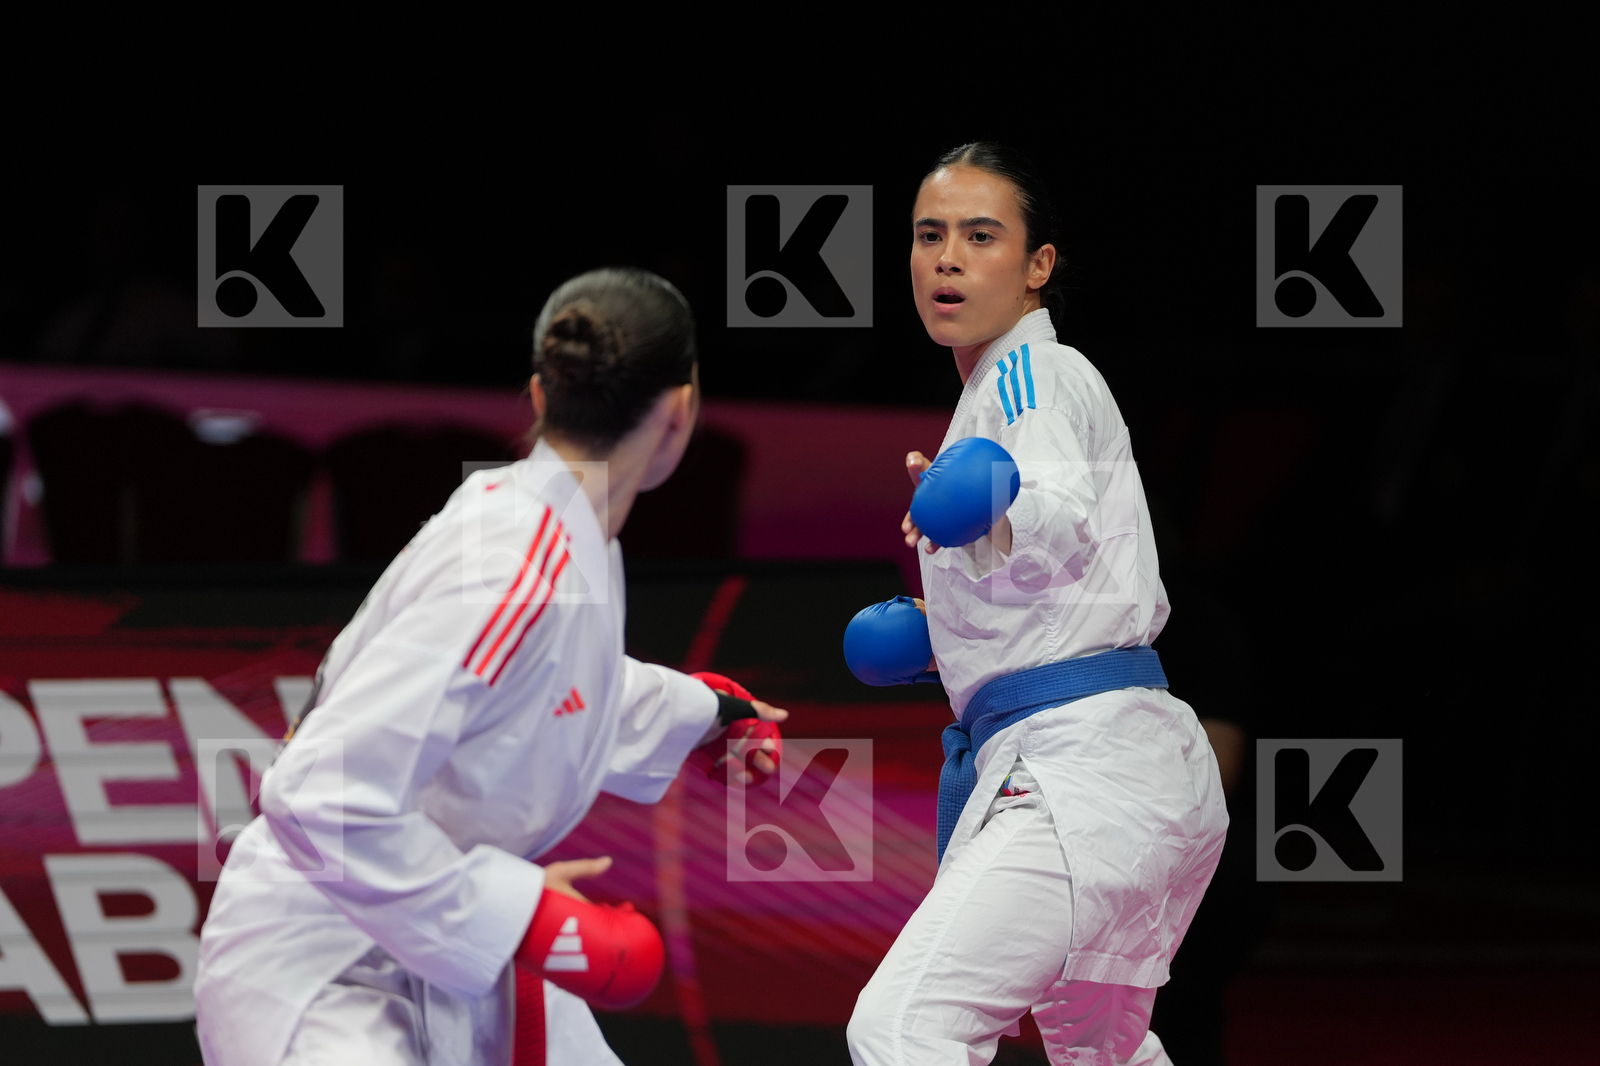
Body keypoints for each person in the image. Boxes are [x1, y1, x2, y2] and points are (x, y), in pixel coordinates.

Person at [195, 267, 785, 1066]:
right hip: (328, 965)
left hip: (433, 943)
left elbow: (541, 691)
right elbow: (318, 794)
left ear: (540, 395)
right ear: (681, 410)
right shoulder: (513, 560)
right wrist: (531, 917)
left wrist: (702, 714)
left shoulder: (561, 530)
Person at [846, 144, 1228, 1065]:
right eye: (929, 236)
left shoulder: (1035, 376)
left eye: (982, 237)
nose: (948, 258)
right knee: (1104, 1056)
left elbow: (1053, 514)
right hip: (1120, 769)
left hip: (1081, 772)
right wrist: (943, 637)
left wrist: (988, 501)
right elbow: (1063, 580)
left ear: (1037, 265)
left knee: (902, 1029)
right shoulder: (994, 394)